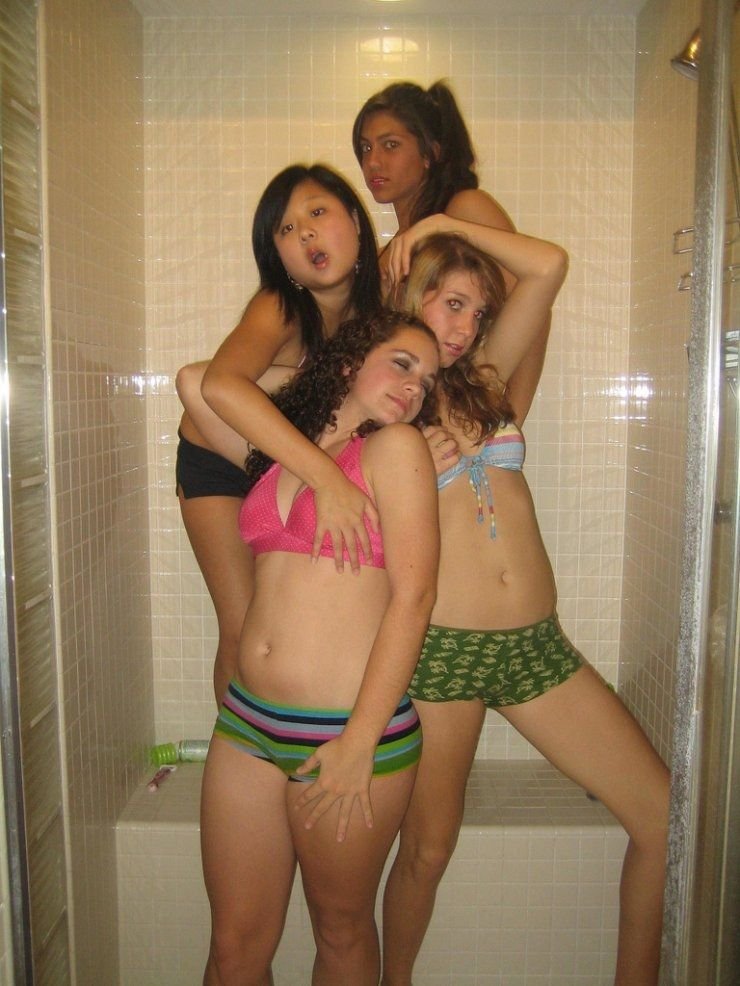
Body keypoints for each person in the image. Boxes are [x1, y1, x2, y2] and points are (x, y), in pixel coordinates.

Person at [379, 227, 670, 986]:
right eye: (451, 303)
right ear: (411, 295)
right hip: (442, 654)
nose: (465, 326)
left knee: (662, 816)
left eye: (477, 311)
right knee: (427, 851)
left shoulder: (485, 378)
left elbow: (549, 265)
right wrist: (395, 458)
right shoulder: (385, 402)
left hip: (536, 647)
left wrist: (435, 228)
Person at [199, 310, 440, 986]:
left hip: (346, 733)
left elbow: (415, 599)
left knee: (339, 930)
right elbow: (202, 384)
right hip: (246, 722)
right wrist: (324, 468)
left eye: (428, 381)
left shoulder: (397, 449)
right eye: (402, 364)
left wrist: (360, 741)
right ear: (349, 362)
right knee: (233, 946)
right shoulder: (290, 445)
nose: (415, 387)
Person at [175, 163, 381, 703]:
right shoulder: (280, 305)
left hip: (290, 454)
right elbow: (214, 385)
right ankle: (237, 745)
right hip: (218, 462)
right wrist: (328, 480)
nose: (305, 232)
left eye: (317, 213)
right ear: (279, 258)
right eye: (286, 229)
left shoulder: (377, 316)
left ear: (356, 222)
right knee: (245, 622)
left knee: (296, 617)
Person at [352, 78, 548, 422]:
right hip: (408, 418)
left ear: (431, 153)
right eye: (366, 148)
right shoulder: (389, 250)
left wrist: (509, 420)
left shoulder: (462, 210)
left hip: (452, 416)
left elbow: (534, 311)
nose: (373, 162)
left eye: (390, 145)